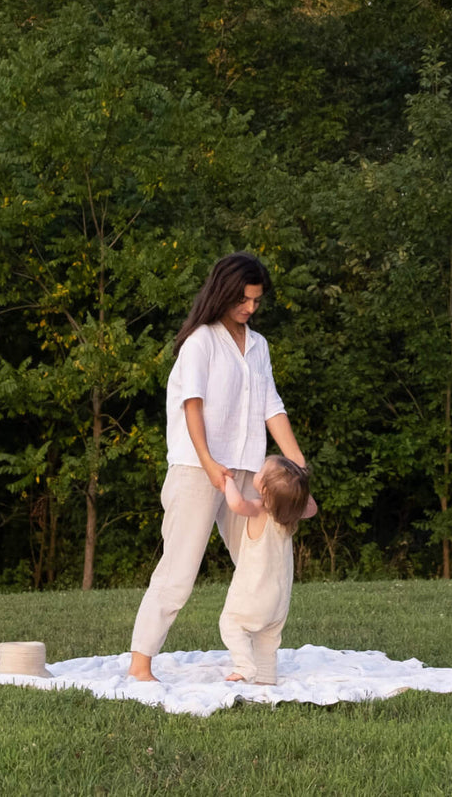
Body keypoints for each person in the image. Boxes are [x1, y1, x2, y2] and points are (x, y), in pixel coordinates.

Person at [128, 251, 311, 683]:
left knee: (264, 563)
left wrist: (297, 463)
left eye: (256, 301)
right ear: (223, 293)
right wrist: (210, 464)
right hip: (197, 468)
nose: (250, 308)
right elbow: (193, 405)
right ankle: (140, 664)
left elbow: (272, 407)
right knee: (179, 569)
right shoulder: (201, 342)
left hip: (249, 471)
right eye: (243, 299)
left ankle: (256, 660)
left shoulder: (259, 346)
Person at [218, 455, 316, 684]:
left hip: (253, 594)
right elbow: (310, 509)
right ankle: (267, 678)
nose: (257, 472)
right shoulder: (289, 516)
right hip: (279, 600)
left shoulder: (260, 509)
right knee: (268, 639)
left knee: (231, 623)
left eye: (261, 472)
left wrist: (227, 481)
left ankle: (245, 666)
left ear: (265, 488)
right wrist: (299, 489)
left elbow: (236, 504)